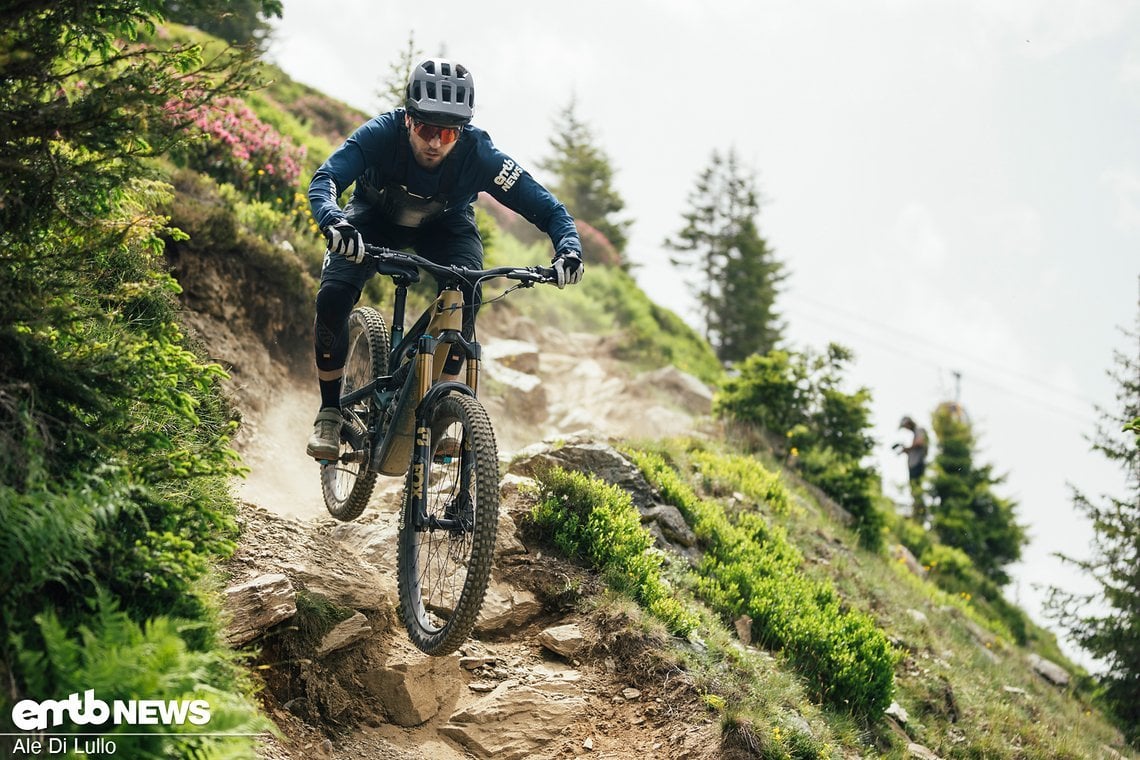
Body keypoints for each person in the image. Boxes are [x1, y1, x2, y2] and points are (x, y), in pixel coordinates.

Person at [305, 58, 584, 460]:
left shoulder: (480, 155)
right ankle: (330, 413)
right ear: (408, 120)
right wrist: (333, 221)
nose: (436, 142)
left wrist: (569, 248)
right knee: (332, 297)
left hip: (445, 226)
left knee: (468, 288)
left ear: (462, 130)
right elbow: (326, 178)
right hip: (373, 218)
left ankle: (442, 404)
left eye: (448, 132)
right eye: (426, 128)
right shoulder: (381, 133)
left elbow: (549, 210)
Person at [894, 415, 929, 521]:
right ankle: (917, 512)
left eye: (906, 426)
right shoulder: (915, 433)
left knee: (916, 489)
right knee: (914, 489)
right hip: (914, 464)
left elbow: (920, 442)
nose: (906, 429)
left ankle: (920, 514)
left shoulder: (919, 430)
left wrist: (907, 448)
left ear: (909, 423)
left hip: (917, 464)